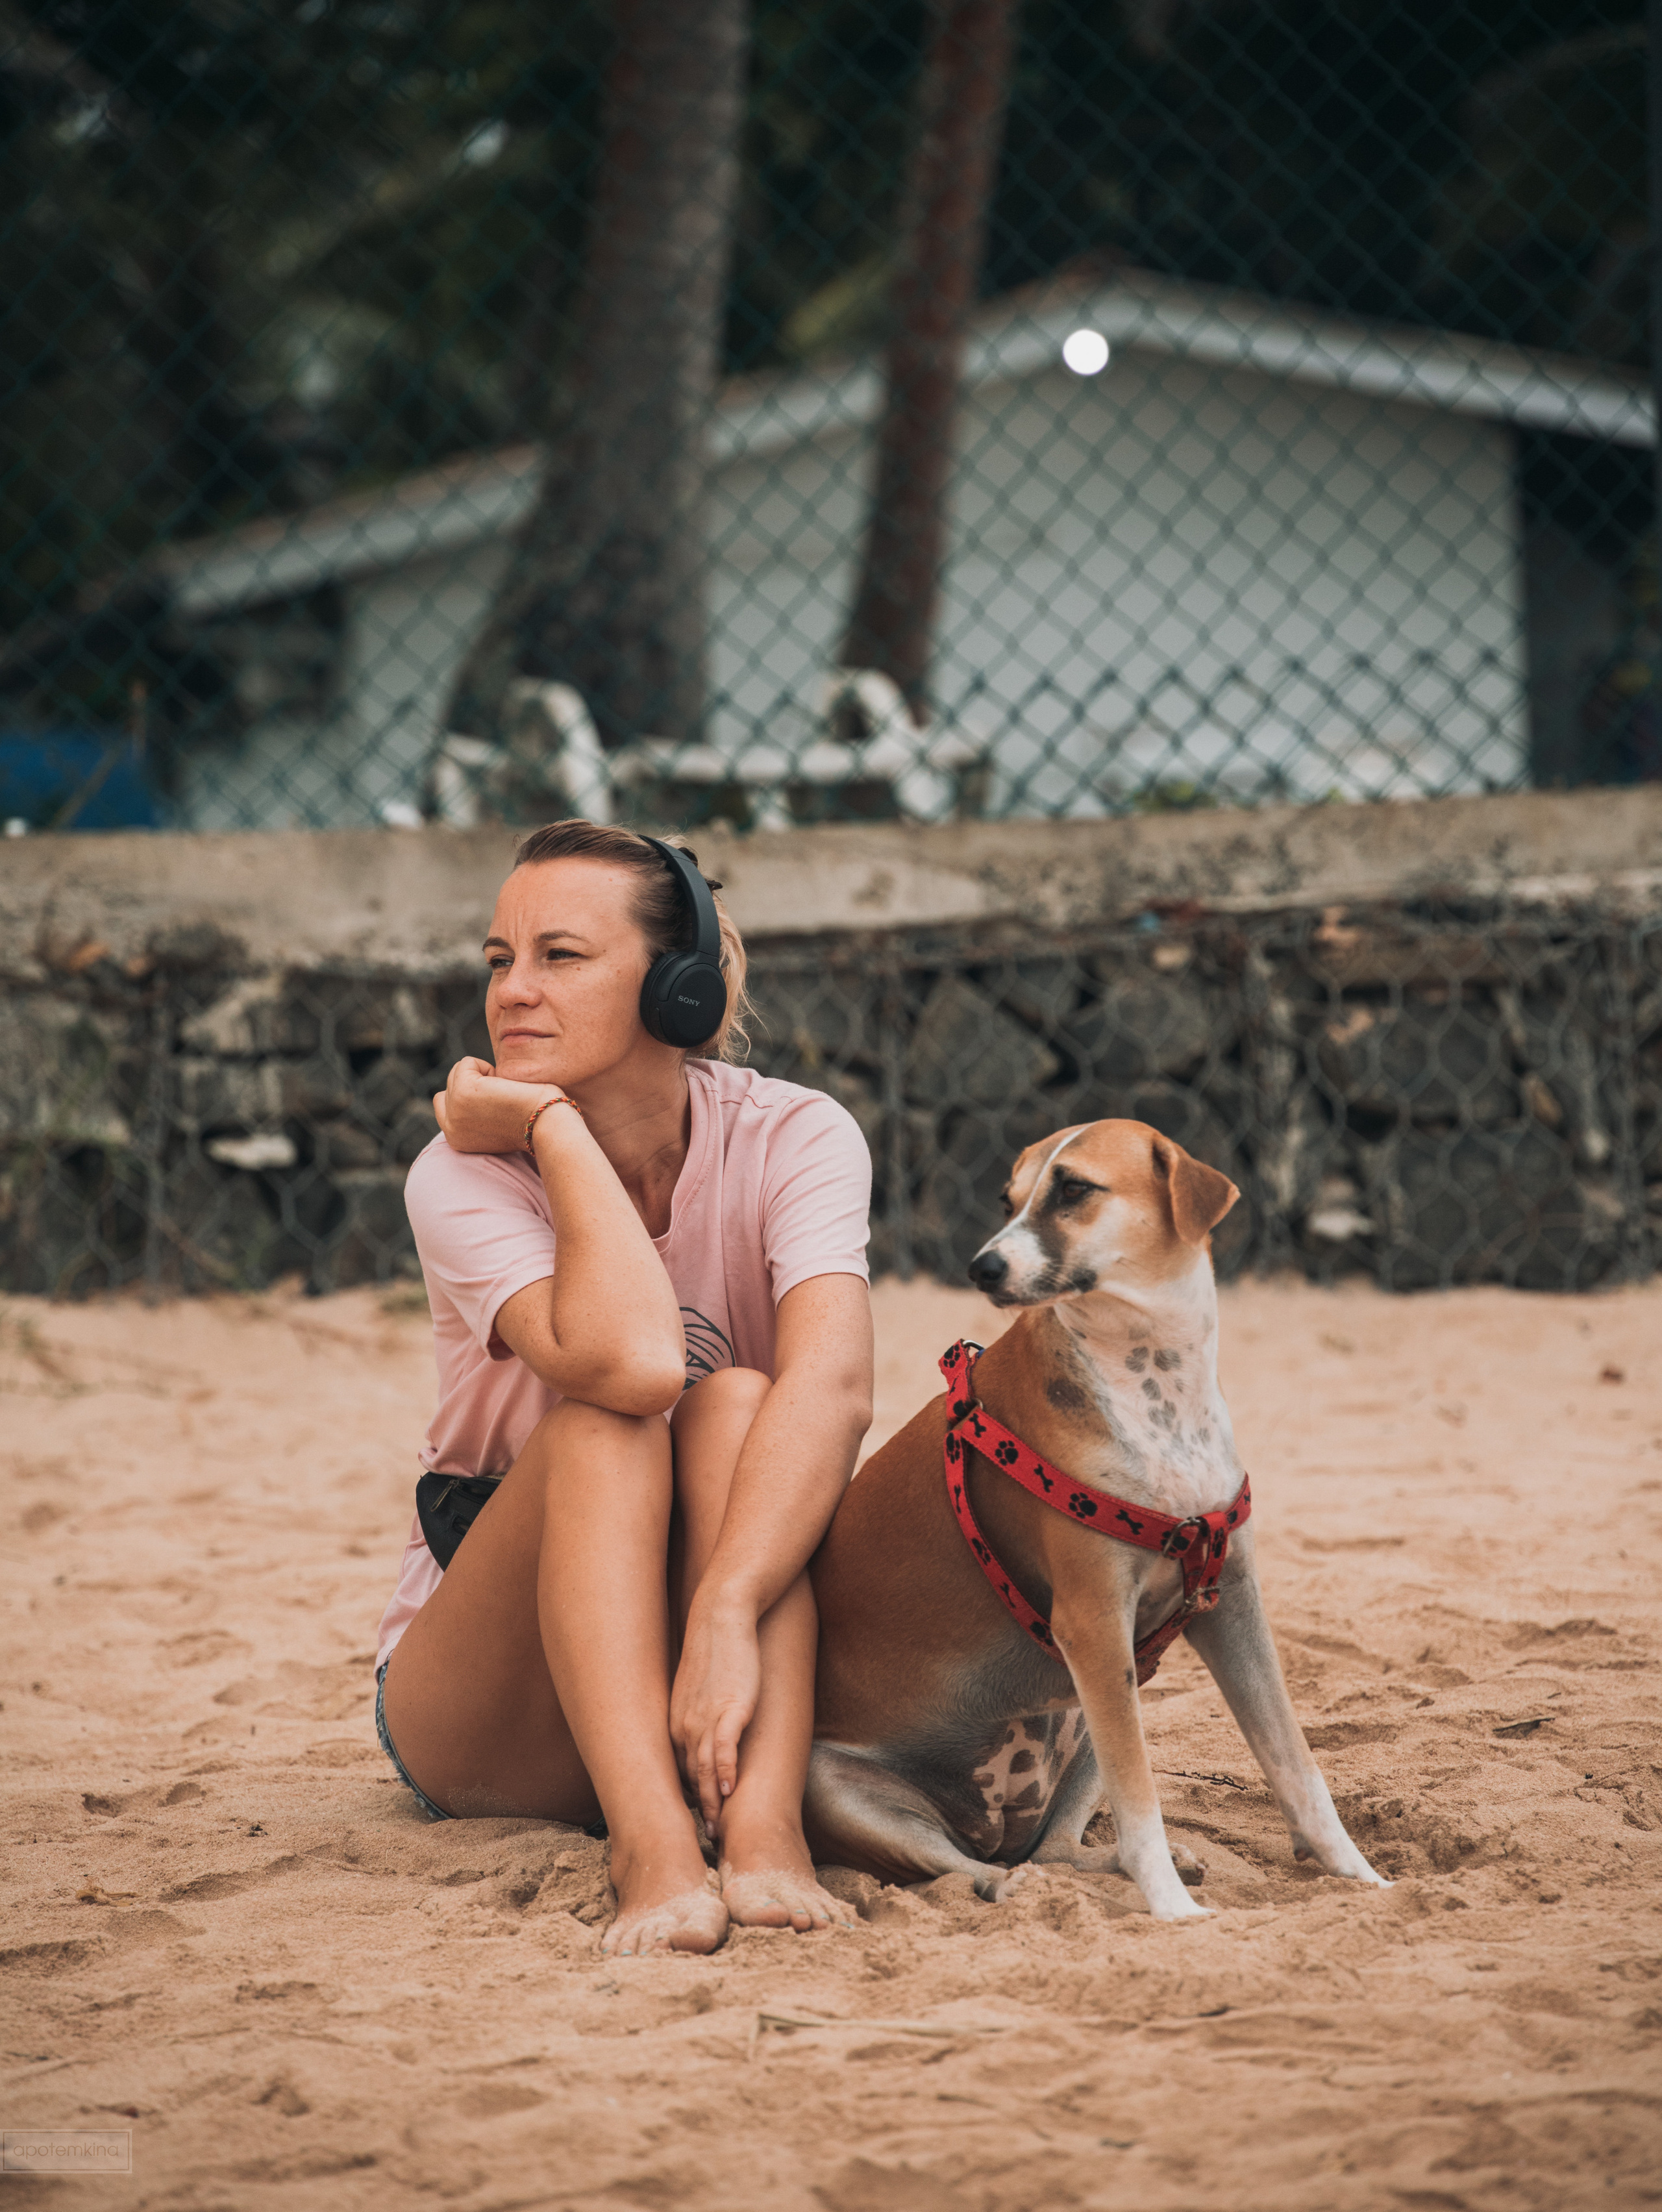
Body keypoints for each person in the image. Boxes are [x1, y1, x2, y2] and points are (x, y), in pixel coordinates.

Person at [375, 820, 874, 1957]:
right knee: (611, 1421)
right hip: (490, 1702)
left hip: (708, 1647)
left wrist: (727, 1606)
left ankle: (762, 1836)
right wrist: (552, 1128)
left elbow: (837, 1389)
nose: (514, 992)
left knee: (746, 1400)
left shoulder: (797, 1136)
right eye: (500, 961)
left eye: (562, 956)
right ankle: (649, 1848)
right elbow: (638, 1363)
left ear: (680, 987)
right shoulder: (459, 1172)